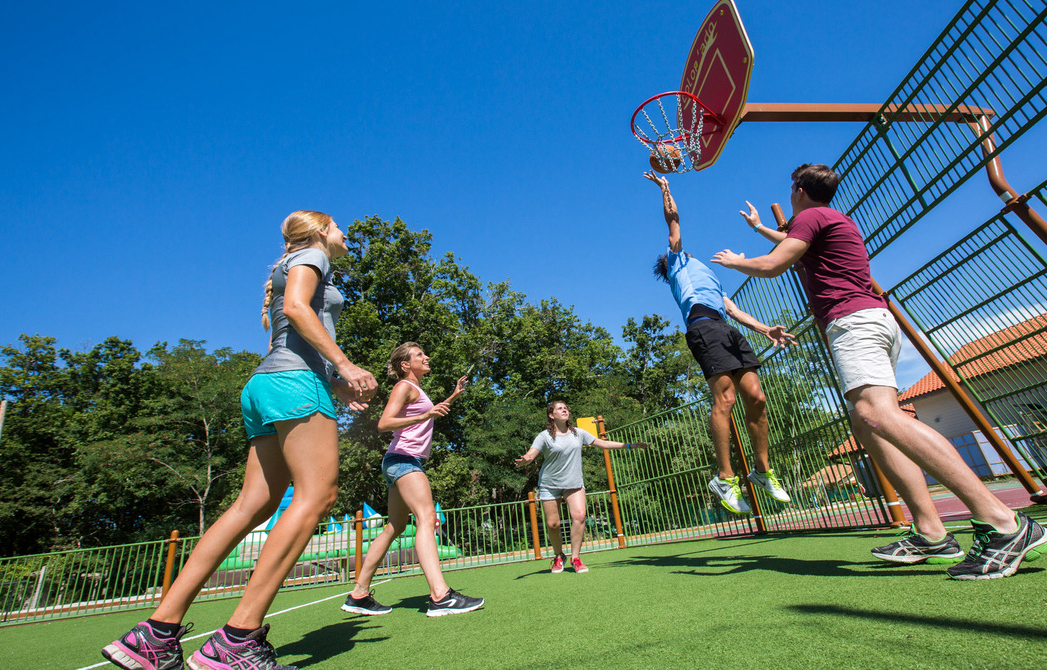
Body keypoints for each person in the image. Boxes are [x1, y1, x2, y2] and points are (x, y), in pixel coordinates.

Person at [712, 163, 1047, 580]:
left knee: (878, 414)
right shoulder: (827, 219)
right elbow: (791, 244)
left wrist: (734, 263)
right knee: (866, 423)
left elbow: (774, 265)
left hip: (853, 322)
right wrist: (762, 229)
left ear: (798, 190)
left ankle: (1004, 523)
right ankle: (931, 533)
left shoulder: (809, 217)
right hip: (871, 321)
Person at [103, 210, 379, 670]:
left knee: (252, 505)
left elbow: (289, 341)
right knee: (317, 497)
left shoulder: (284, 263)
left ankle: (155, 634)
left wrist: (335, 383)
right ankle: (238, 638)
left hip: (267, 386)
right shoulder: (313, 254)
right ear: (318, 232)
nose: (344, 233)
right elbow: (296, 310)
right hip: (293, 385)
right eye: (337, 226)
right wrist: (347, 366)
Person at [644, 171, 794, 516]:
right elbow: (674, 223)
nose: (681, 248)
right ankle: (725, 478)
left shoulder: (709, 275)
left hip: (725, 328)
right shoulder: (677, 264)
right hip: (703, 328)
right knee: (725, 399)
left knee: (757, 397)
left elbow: (733, 310)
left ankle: (761, 471)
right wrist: (666, 189)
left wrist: (764, 329)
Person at [341, 343, 484, 617]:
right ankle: (441, 596)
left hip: (399, 461)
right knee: (427, 518)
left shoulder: (416, 389)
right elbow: (384, 423)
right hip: (404, 459)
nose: (426, 357)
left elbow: (424, 415)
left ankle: (359, 594)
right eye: (419, 355)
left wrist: (452, 397)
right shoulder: (403, 387)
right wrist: (425, 414)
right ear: (405, 365)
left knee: (395, 526)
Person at [513, 401, 650, 573]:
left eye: (566, 408)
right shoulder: (544, 436)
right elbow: (532, 453)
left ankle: (575, 557)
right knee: (553, 524)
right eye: (559, 408)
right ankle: (558, 556)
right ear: (551, 415)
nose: (564, 410)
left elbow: (603, 444)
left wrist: (629, 446)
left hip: (574, 483)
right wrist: (526, 459)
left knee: (579, 516)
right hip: (550, 484)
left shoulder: (579, 433)